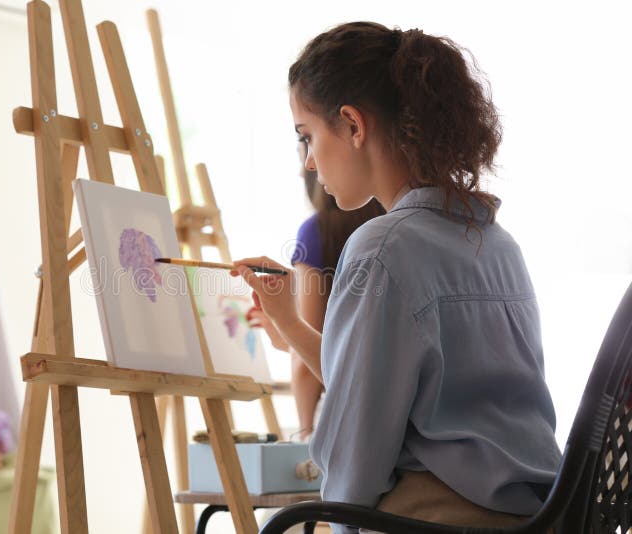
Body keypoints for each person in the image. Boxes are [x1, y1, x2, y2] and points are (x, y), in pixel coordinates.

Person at [231, 22, 562, 532]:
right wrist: (289, 323)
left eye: (308, 136)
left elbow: (354, 455)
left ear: (352, 125)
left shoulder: (382, 248)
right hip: (539, 517)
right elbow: (384, 384)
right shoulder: (499, 246)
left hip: (434, 519)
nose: (310, 162)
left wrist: (332, 522)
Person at [248, 142, 384, 442]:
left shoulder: (316, 232)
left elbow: (312, 363)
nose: (303, 170)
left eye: (306, 150)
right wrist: (286, 336)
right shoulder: (395, 226)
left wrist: (305, 434)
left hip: (343, 420)